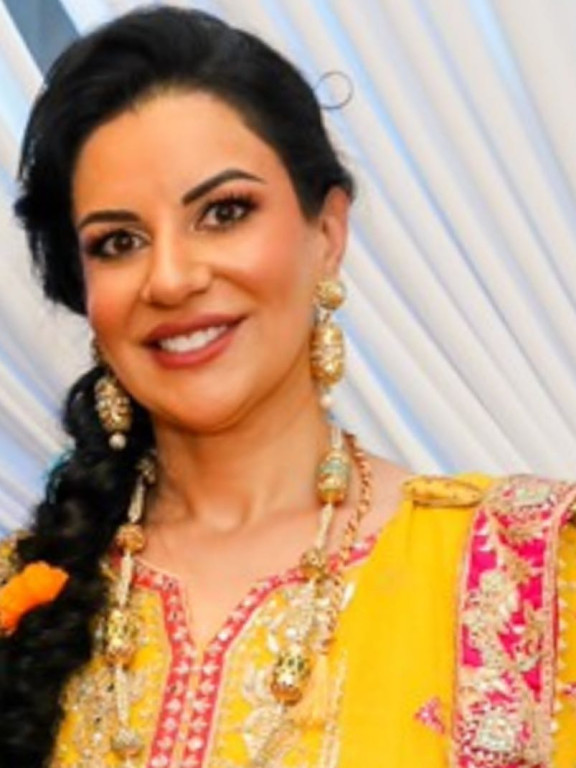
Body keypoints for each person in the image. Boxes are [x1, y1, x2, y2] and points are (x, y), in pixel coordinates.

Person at [0, 6, 574, 767]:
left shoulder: (530, 571)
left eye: (223, 212)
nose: (170, 278)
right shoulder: (22, 594)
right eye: (119, 242)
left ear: (327, 232)